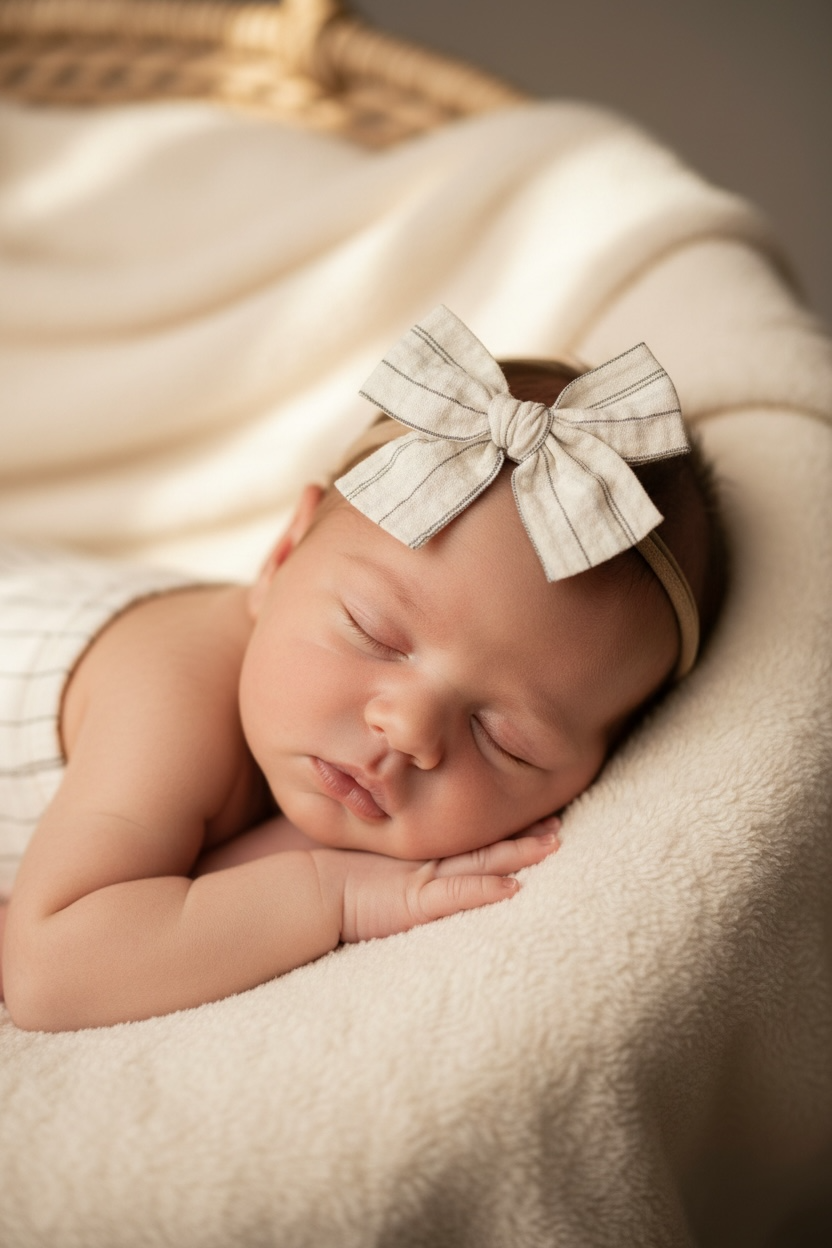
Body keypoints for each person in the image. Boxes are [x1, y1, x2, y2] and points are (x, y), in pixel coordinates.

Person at [0, 306, 725, 1031]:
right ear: (281, 555)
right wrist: (334, 894)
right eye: (373, 634)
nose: (408, 727)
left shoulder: (314, 746)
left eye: (505, 740)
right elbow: (48, 968)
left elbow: (178, 904)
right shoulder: (168, 692)